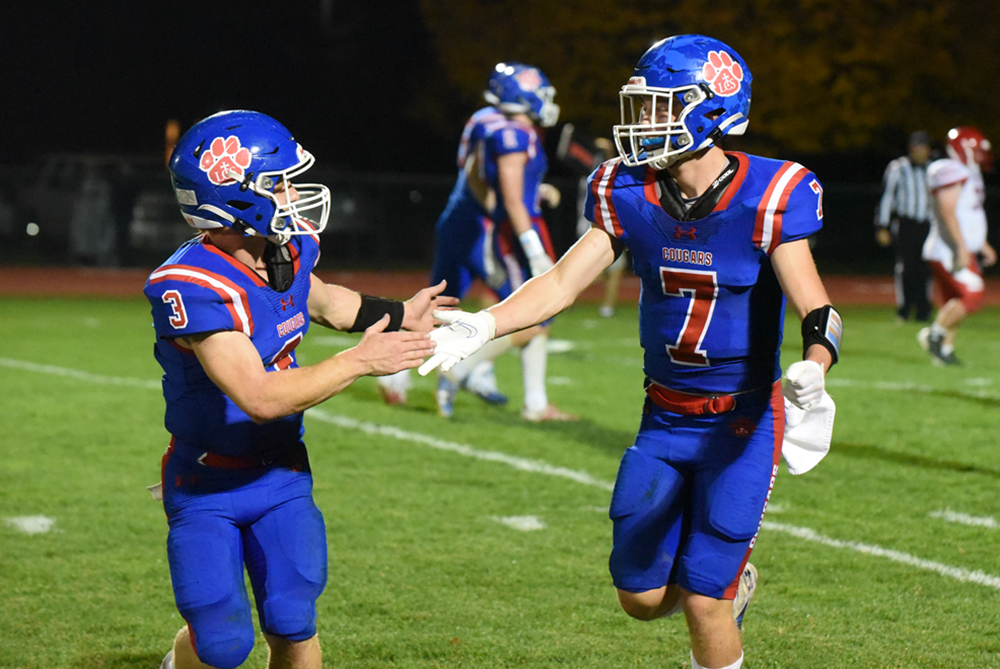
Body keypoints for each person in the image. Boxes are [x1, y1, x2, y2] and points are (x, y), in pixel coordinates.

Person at [420, 35, 842, 669]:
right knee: (641, 598)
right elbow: (561, 282)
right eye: (643, 107)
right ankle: (729, 585)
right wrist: (484, 325)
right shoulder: (623, 188)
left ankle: (721, 591)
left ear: (711, 111)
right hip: (664, 413)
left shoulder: (771, 191)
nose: (644, 123)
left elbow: (816, 304)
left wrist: (816, 364)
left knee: (704, 603)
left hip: (743, 419)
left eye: (660, 107)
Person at [144, 110, 455, 669]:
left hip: (282, 472)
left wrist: (402, 312)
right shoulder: (193, 286)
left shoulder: (283, 250)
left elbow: (326, 300)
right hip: (207, 482)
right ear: (234, 197)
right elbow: (260, 397)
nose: (292, 193)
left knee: (292, 617)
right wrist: (359, 362)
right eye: (278, 182)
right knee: (222, 644)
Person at [411, 62, 574, 422]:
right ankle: (462, 368)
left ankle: (535, 403)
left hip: (510, 225)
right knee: (530, 316)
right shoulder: (514, 134)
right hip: (518, 231)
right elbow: (513, 200)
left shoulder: (491, 122)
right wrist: (532, 249)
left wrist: (533, 194)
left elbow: (481, 178)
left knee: (539, 314)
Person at [918, 126, 995, 365]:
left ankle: (945, 351)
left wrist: (982, 245)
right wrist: (962, 247)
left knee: (953, 301)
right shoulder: (950, 169)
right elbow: (948, 211)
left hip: (955, 247)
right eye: (977, 151)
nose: (982, 156)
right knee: (973, 295)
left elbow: (967, 214)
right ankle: (934, 335)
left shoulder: (966, 172)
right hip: (948, 249)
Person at [876, 131, 934, 323]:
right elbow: (887, 197)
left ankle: (924, 310)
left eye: (923, 147)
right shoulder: (898, 168)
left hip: (928, 224)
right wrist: (881, 225)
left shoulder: (934, 168)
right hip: (906, 224)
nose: (920, 151)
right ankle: (904, 308)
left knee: (926, 268)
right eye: (917, 147)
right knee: (906, 267)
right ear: (911, 148)